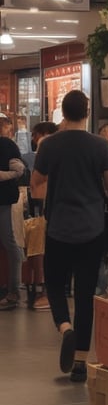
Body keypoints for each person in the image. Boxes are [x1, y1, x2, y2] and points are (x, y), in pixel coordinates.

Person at [31, 90, 108, 382]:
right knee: (84, 293)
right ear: (87, 111)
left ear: (62, 113)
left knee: (54, 284)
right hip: (91, 228)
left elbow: (35, 183)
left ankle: (65, 328)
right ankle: (80, 362)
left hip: (58, 227)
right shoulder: (100, 145)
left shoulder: (49, 145)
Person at [21, 121, 59, 310]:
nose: (34, 140)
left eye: (35, 135)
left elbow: (37, 182)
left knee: (39, 241)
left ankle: (45, 291)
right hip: (51, 209)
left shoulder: (47, 146)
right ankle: (43, 289)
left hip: (49, 208)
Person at [0, 116, 25, 310]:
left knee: (9, 241)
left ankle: (13, 290)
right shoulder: (9, 145)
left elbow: (19, 169)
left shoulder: (7, 145)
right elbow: (19, 169)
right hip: (5, 199)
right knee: (9, 242)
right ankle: (12, 289)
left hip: (3, 200)